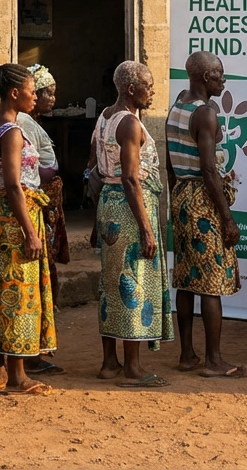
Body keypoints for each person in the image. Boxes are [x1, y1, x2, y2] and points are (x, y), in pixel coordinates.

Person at [165, 51, 246, 378]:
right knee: (212, 283)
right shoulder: (205, 114)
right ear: (204, 77)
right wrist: (227, 218)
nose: (223, 80)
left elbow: (170, 164)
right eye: (219, 74)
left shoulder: (177, 106)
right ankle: (214, 361)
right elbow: (210, 170)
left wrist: (176, 200)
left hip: (182, 195)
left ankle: (187, 355)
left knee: (186, 279)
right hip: (203, 199)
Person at [0, 63, 57, 395]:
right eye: (31, 91)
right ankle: (17, 376)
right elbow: (13, 185)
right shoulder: (11, 130)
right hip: (13, 218)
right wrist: (30, 231)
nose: (35, 97)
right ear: (14, 93)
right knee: (17, 294)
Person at [94, 60, 173, 387]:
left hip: (109, 207)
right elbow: (130, 178)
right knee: (133, 282)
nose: (152, 92)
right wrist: (145, 228)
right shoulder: (129, 123)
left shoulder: (104, 117)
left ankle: (109, 363)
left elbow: (94, 171)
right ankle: (133, 368)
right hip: (130, 210)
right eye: (148, 86)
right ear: (130, 89)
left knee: (112, 283)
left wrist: (99, 219)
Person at [18, 63, 70, 377]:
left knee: (44, 277)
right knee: (37, 279)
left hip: (42, 206)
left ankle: (34, 352)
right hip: (34, 205)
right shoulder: (21, 124)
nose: (50, 99)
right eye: (45, 93)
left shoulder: (31, 123)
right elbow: (28, 171)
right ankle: (30, 356)